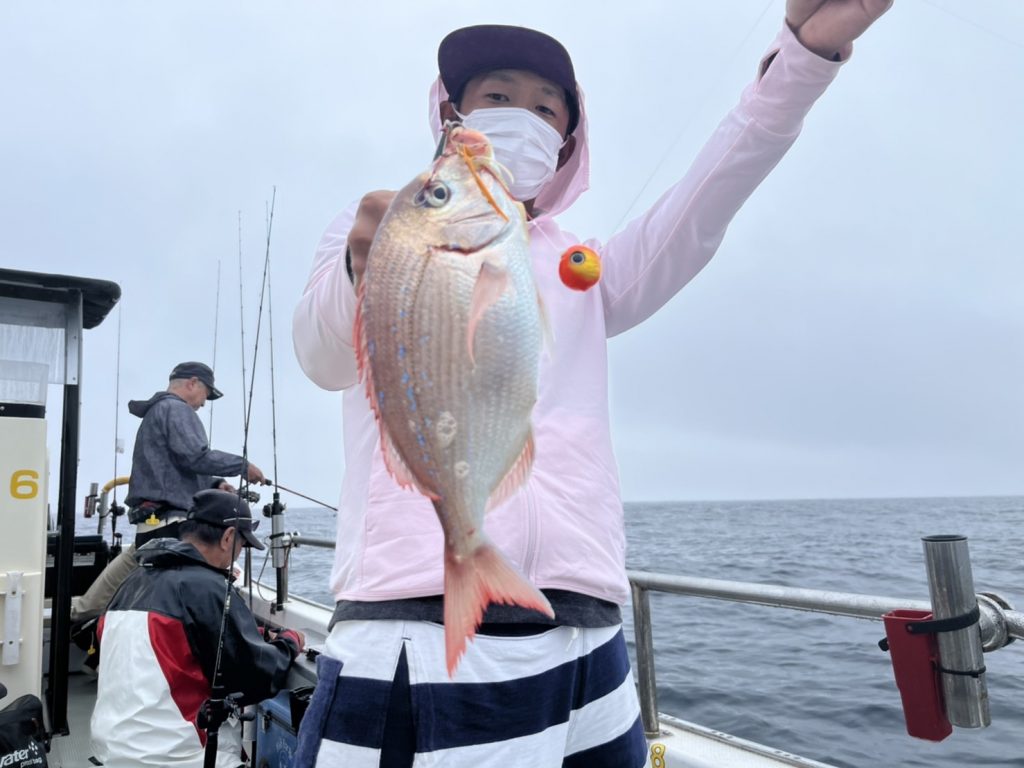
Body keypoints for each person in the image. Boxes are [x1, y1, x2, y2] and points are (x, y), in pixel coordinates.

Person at [291, 3, 893, 766]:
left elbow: (705, 203)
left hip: (593, 635)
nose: (523, 117)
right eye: (498, 95)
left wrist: (802, 58)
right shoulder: (384, 226)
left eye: (548, 109)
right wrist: (367, 271)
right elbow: (322, 358)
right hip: (425, 631)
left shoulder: (583, 268)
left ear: (568, 145)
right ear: (452, 116)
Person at [90, 489, 305, 768]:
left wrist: (253, 634)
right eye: (242, 544)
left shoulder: (132, 582)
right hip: (176, 758)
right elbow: (256, 676)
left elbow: (173, 642)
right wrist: (289, 641)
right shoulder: (207, 588)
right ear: (228, 537)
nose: (238, 553)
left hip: (111, 752)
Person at [71, 361, 266, 622]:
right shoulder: (176, 409)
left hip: (150, 527)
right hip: (170, 528)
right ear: (192, 383)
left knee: (103, 596)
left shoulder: (157, 411)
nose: (204, 403)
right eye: (206, 394)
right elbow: (196, 457)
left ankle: (78, 621)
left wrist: (215, 484)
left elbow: (172, 468)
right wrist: (242, 466)